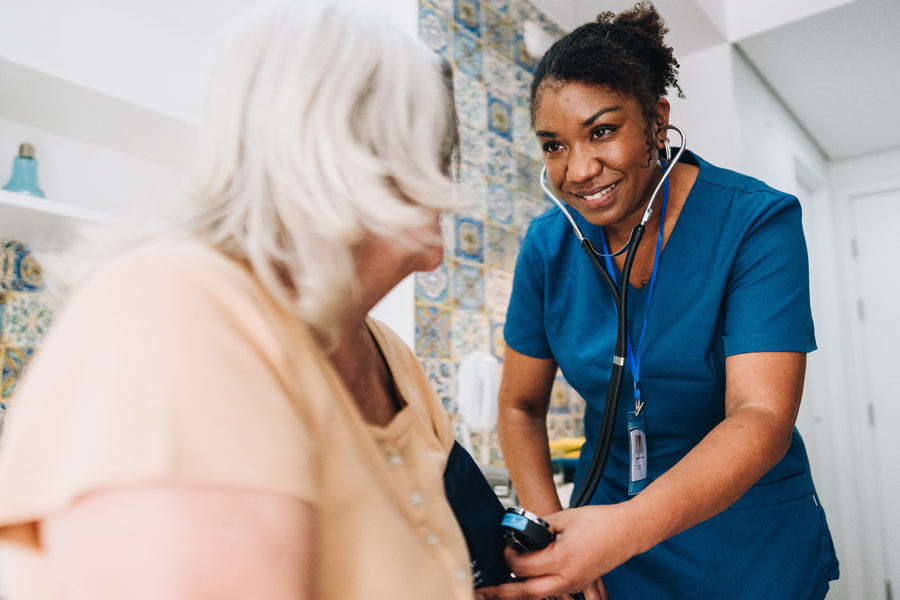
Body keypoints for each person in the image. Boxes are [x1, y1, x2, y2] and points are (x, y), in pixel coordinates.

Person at [0, 2, 476, 599]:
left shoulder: (388, 355)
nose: (447, 184)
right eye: (434, 149)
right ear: (361, 158)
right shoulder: (171, 312)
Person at [480, 3, 839, 600]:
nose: (579, 169)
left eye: (601, 131)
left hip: (741, 544)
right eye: (553, 146)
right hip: (604, 549)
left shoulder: (755, 222)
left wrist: (619, 532)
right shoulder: (548, 245)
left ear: (655, 120)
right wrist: (555, 541)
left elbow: (762, 415)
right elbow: (519, 405)